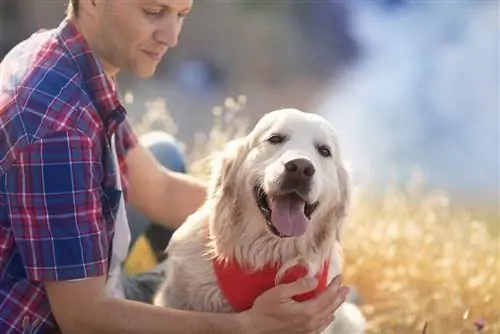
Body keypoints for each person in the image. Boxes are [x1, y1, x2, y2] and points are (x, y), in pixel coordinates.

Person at [0, 0, 350, 333]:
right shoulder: (61, 129)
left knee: (163, 153)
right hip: (53, 319)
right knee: (214, 294)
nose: (170, 36)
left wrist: (298, 228)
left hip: (73, 279)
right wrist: (247, 327)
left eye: (181, 14)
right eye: (154, 11)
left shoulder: (65, 57)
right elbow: (83, 319)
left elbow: (161, 192)